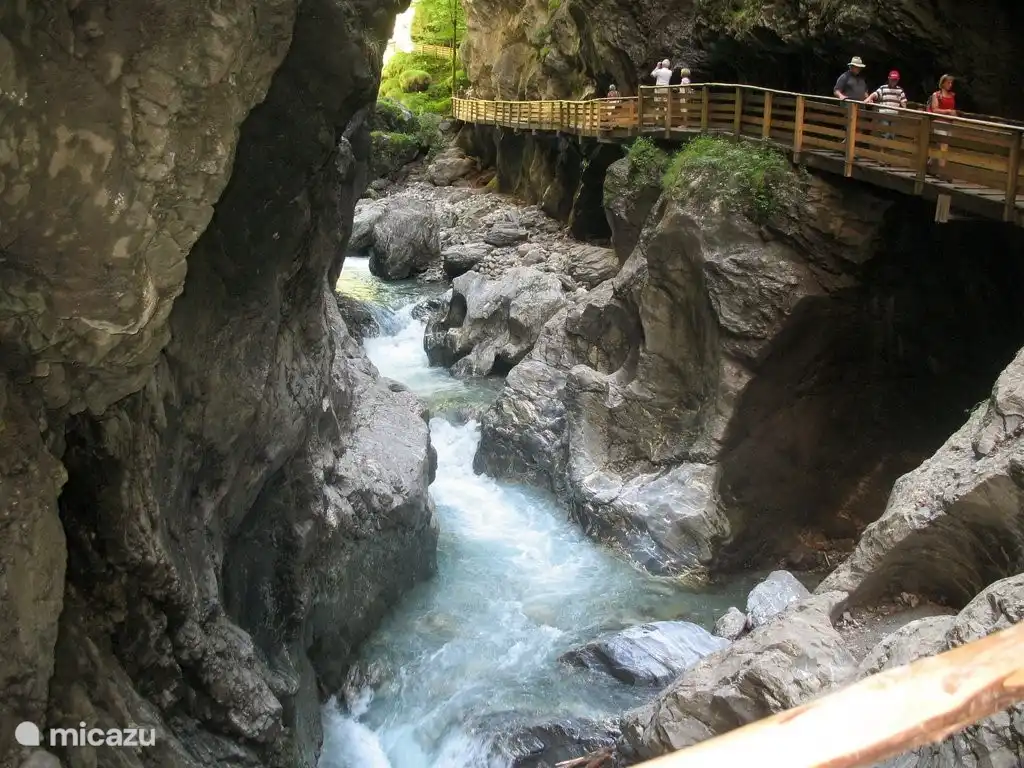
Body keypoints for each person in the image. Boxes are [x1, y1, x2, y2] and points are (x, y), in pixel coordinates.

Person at [865, 69, 908, 139]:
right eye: (892, 80)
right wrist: (869, 98)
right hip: (884, 114)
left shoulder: (900, 90)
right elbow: (875, 94)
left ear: (898, 80)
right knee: (885, 133)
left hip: (894, 115)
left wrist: (904, 108)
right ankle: (883, 149)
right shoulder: (883, 88)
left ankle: (888, 148)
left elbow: (903, 101)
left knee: (892, 133)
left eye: (895, 80)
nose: (894, 81)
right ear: (889, 79)